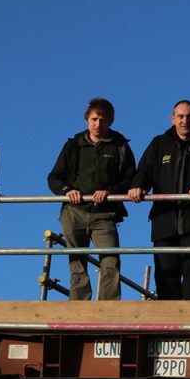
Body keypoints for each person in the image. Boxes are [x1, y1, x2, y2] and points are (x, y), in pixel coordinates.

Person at [128, 100, 190, 300]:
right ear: (173, 119)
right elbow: (145, 169)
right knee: (164, 267)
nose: (185, 121)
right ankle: (169, 316)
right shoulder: (159, 144)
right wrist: (138, 186)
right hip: (164, 217)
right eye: (180, 117)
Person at [47, 97, 136, 301]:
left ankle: (108, 306)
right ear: (87, 120)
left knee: (110, 260)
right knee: (77, 260)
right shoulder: (73, 145)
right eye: (94, 119)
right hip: (74, 211)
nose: (98, 124)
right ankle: (79, 304)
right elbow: (54, 177)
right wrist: (66, 190)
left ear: (110, 122)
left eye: (103, 120)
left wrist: (110, 191)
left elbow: (131, 178)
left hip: (104, 213)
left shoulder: (120, 146)